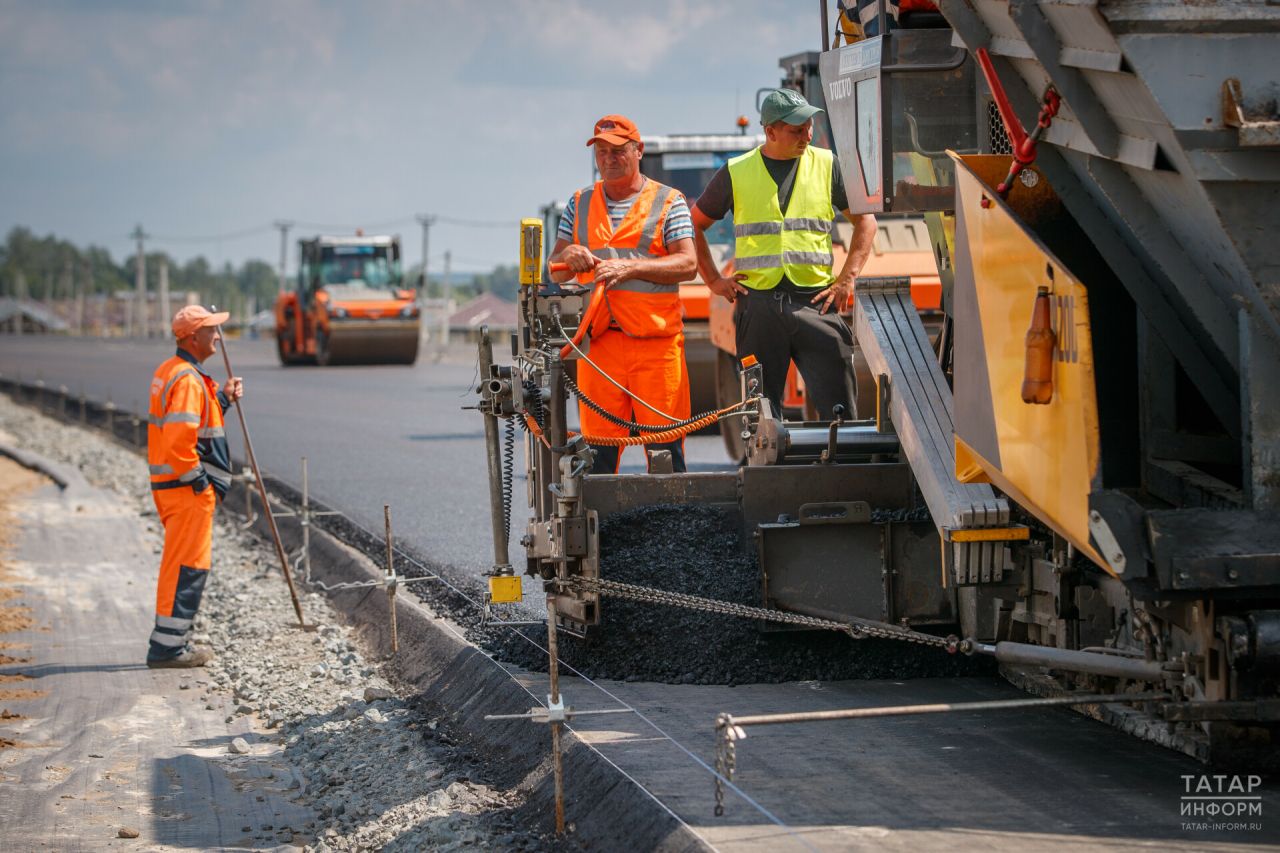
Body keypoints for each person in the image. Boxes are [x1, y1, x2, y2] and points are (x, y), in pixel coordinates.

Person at [690, 88, 877, 421]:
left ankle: (842, 469)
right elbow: (694, 225)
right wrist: (714, 280)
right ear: (770, 131)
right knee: (759, 415)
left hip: (816, 302)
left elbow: (867, 223)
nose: (806, 134)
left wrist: (846, 281)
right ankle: (765, 470)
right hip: (758, 306)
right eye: (796, 129)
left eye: (808, 126)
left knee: (841, 411)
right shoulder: (736, 172)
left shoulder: (827, 165)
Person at [549, 114, 698, 474]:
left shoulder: (668, 202)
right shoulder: (579, 203)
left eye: (618, 151)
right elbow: (556, 263)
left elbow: (688, 263)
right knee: (597, 454)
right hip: (599, 346)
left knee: (665, 450)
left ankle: (670, 526)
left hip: (655, 346)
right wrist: (567, 256)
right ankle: (603, 528)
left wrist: (628, 267)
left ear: (638, 151)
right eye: (601, 152)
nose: (608, 159)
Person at [145, 305, 243, 668]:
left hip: (174, 488)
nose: (217, 336)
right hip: (185, 491)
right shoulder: (186, 379)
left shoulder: (172, 372)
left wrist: (223, 399)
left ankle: (170, 641)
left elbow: (197, 424)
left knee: (179, 564)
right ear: (191, 337)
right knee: (188, 566)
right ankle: (168, 649)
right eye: (210, 330)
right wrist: (199, 483)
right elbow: (179, 441)